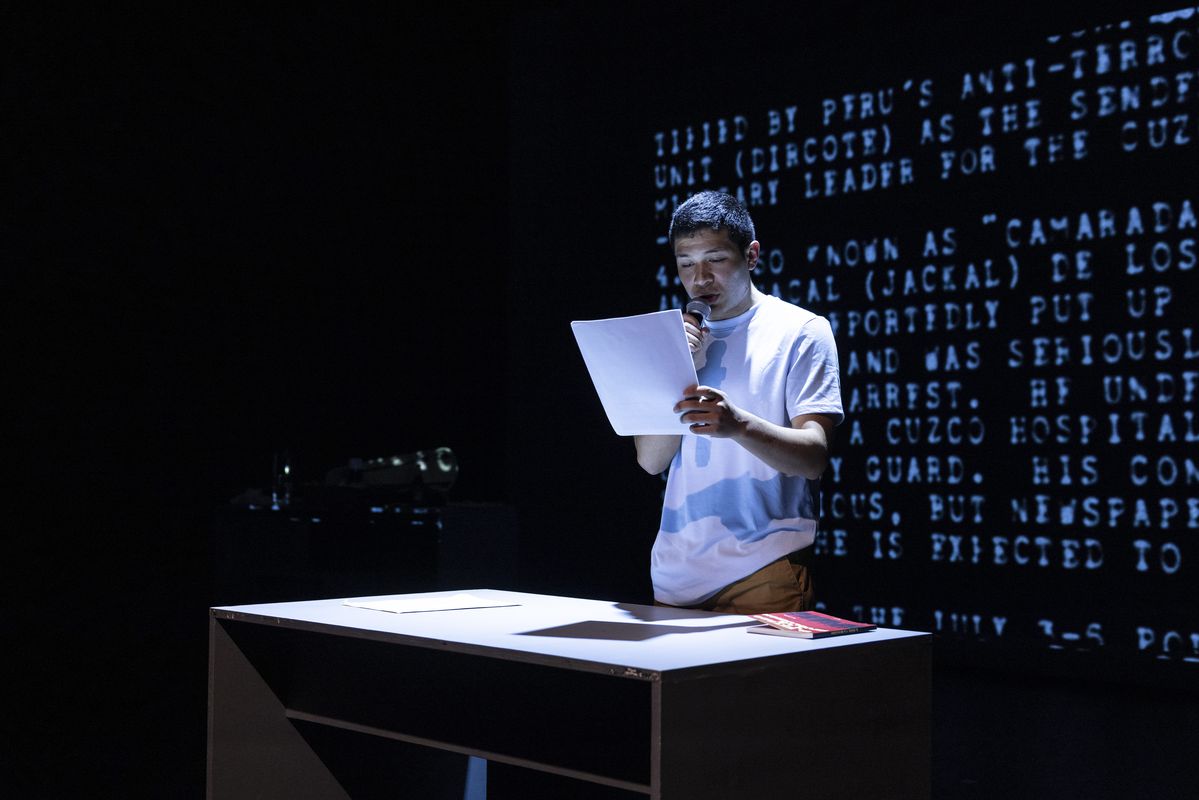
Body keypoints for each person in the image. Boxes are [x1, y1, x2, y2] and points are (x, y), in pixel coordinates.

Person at [634, 191, 843, 614]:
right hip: (675, 573)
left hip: (763, 568)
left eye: (715, 259)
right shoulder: (674, 339)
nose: (700, 279)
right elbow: (650, 461)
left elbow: (814, 457)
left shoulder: (800, 330)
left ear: (751, 255)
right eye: (686, 264)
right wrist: (676, 368)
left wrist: (738, 425)